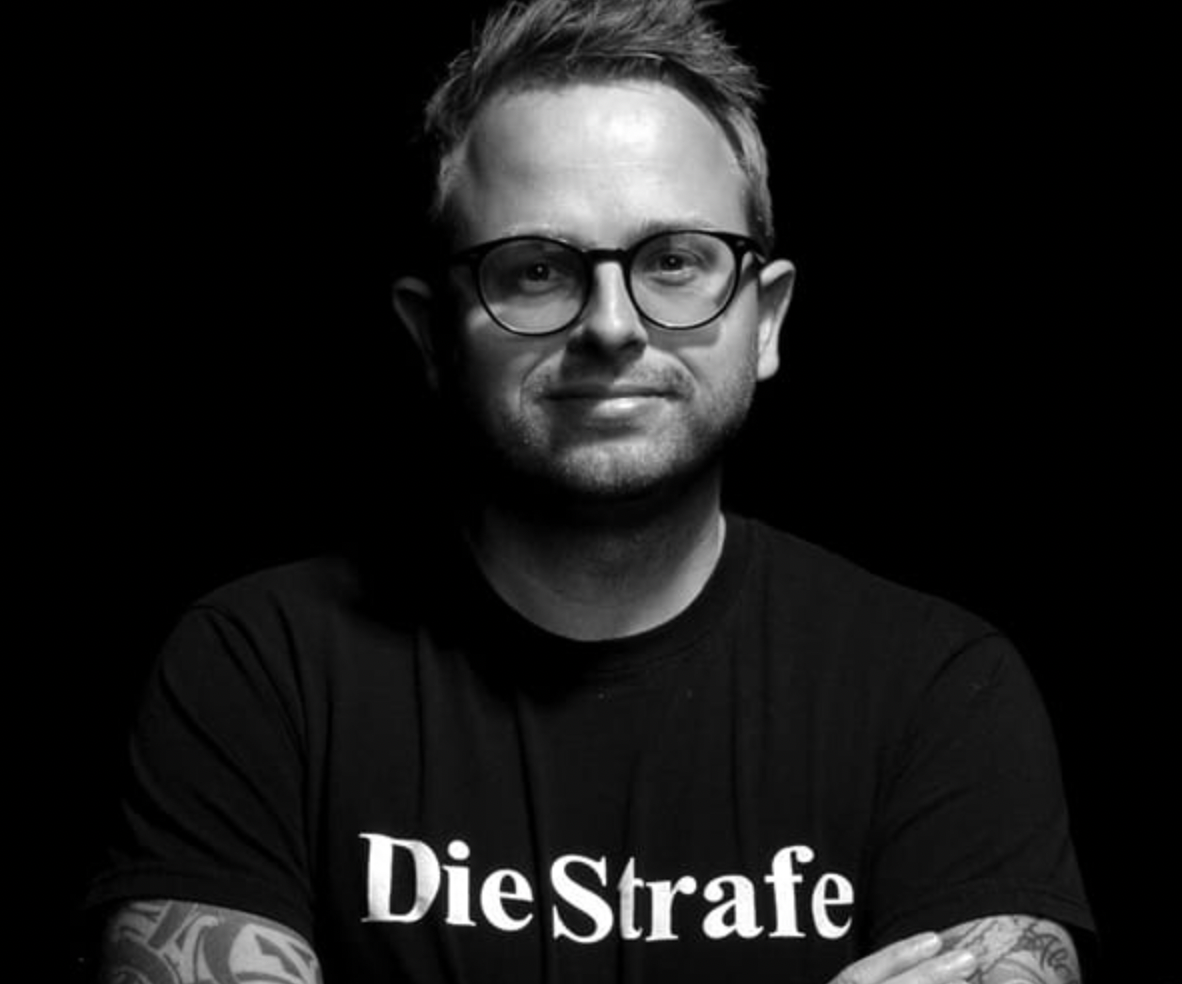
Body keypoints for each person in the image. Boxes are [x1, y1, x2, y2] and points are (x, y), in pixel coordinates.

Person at [83, 0, 1096, 980]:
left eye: (675, 261)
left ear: (767, 319)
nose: (612, 325)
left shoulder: (937, 690)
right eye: (536, 270)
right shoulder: (258, 671)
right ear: (430, 334)